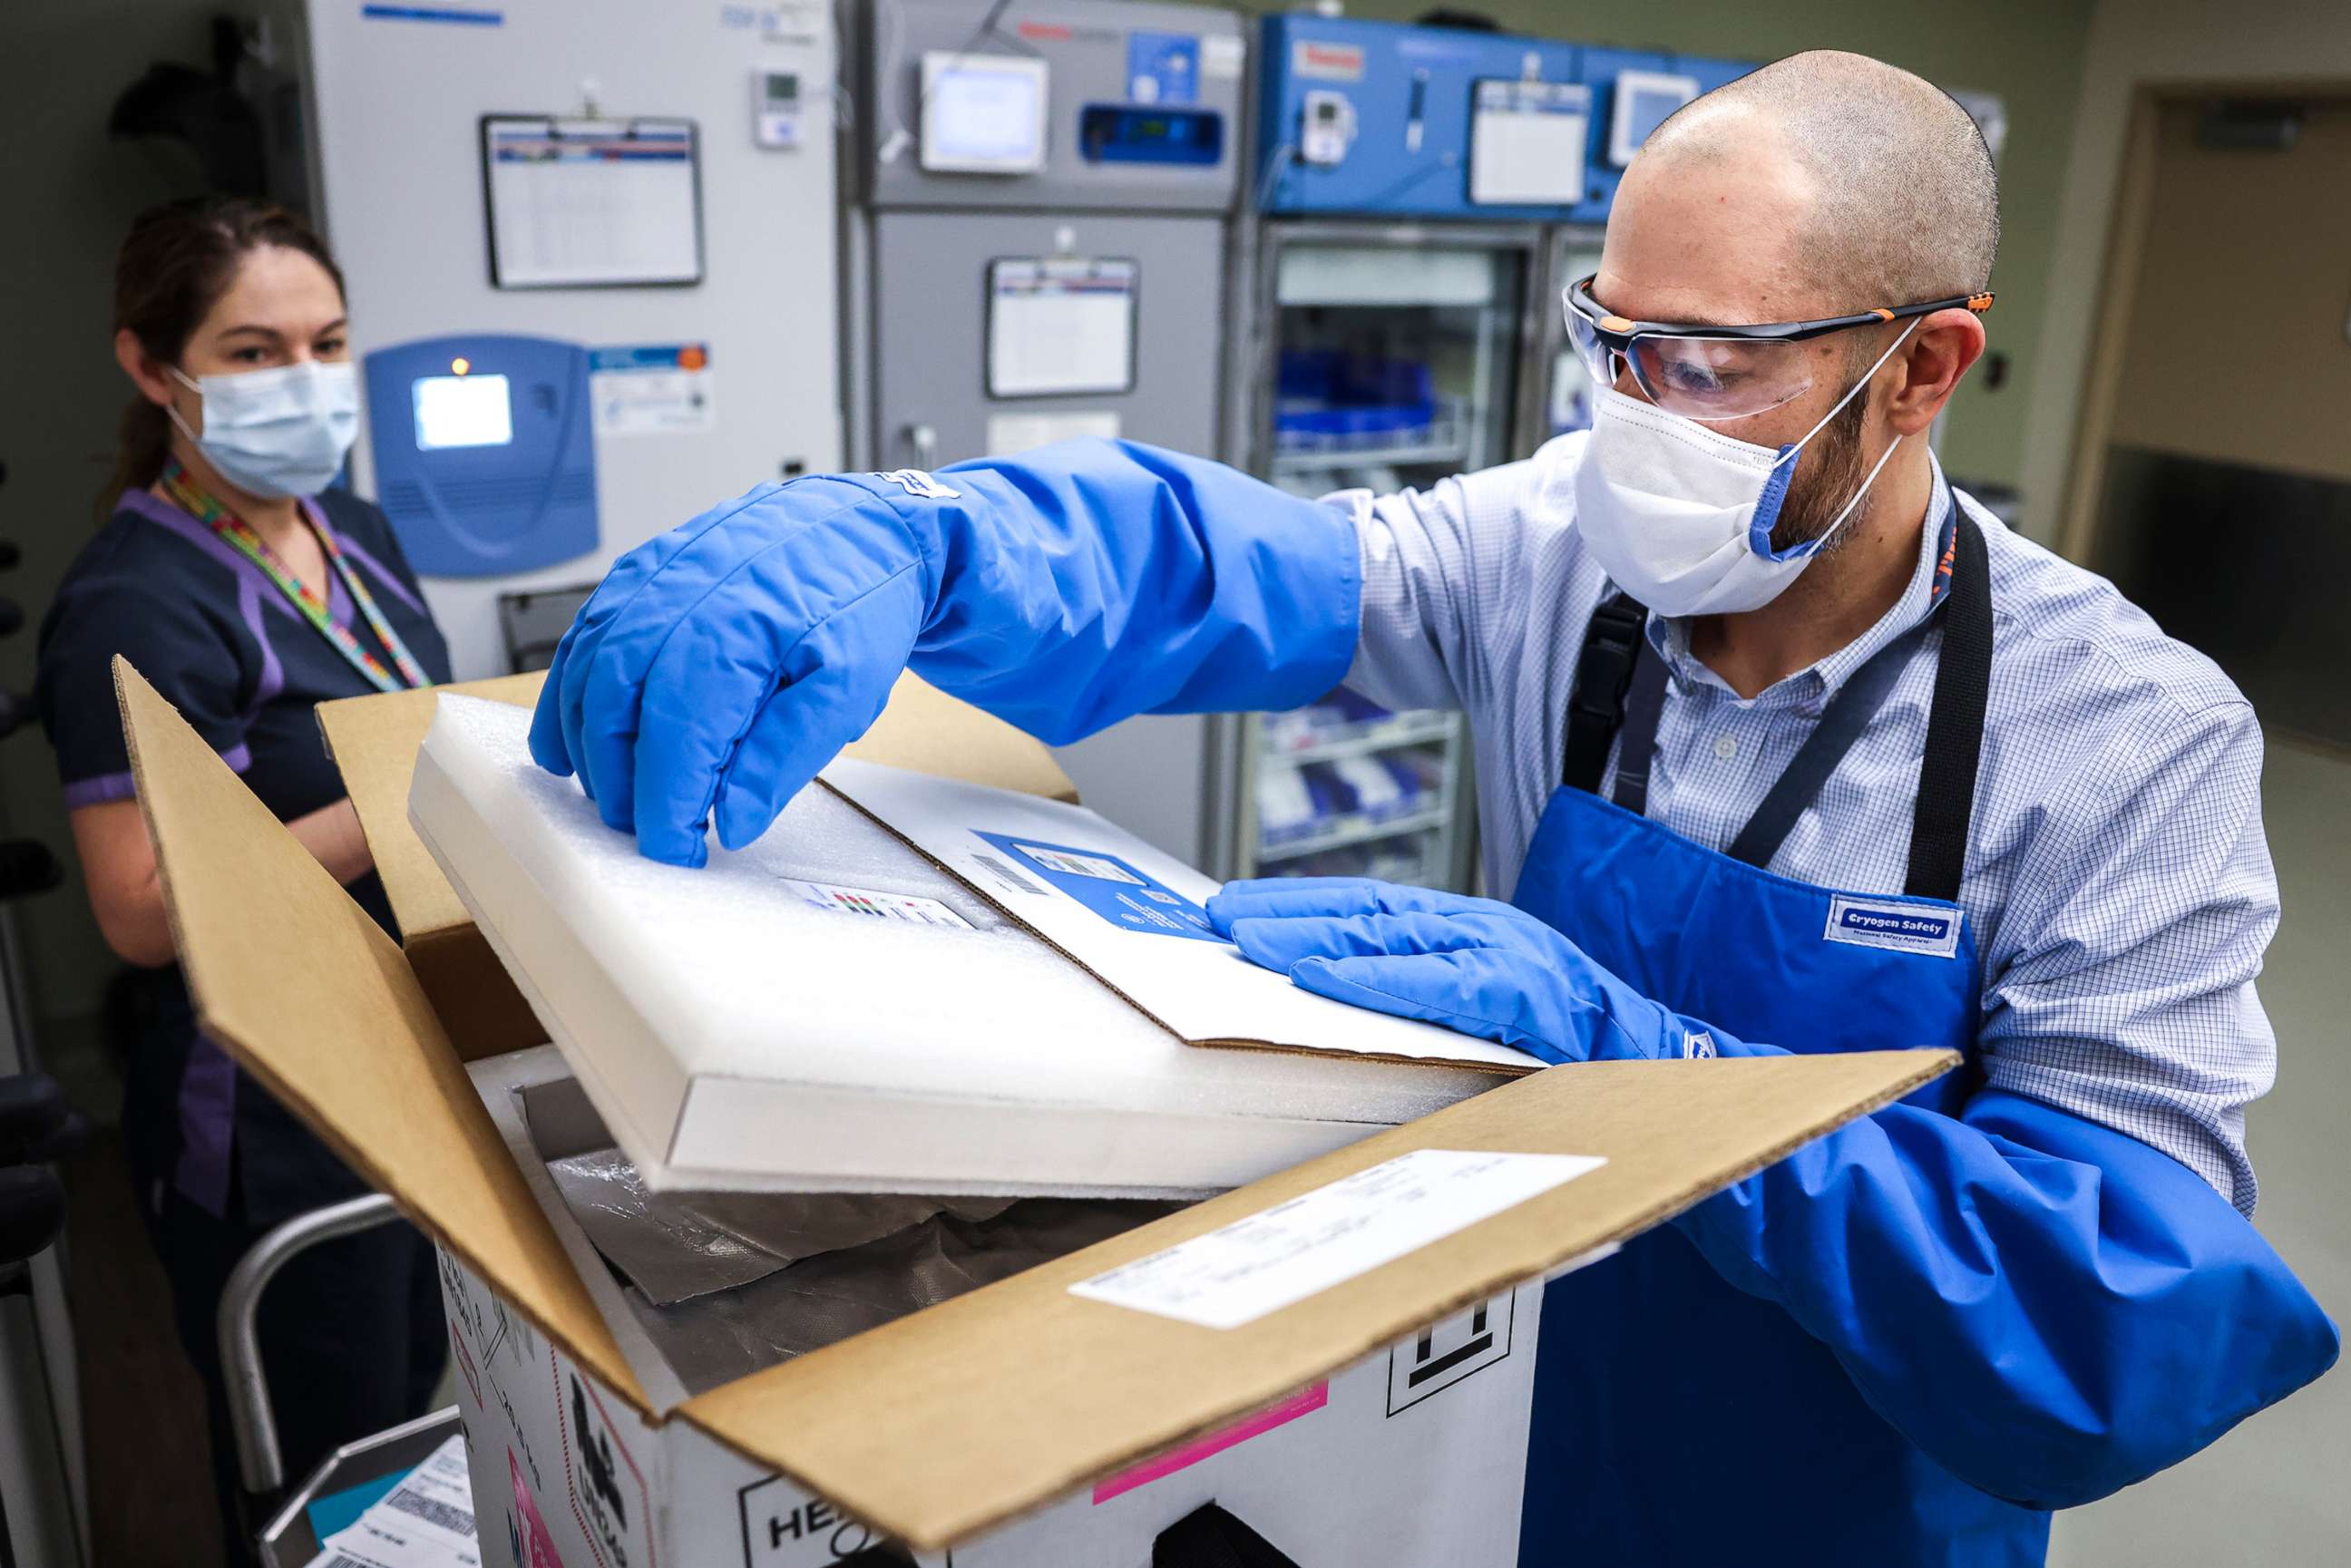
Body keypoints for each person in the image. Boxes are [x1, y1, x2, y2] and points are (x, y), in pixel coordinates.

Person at [525, 52, 2336, 1567]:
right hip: (1506, 1415)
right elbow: (1220, 563)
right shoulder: (1566, 547)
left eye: (1709, 365)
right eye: (1612, 340)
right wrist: (922, 536)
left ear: (1926, 365)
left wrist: (1630, 1063)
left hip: (1839, 1494)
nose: (1638, 416)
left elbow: (2108, 1317)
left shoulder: (2124, 738)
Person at [35, 196, 452, 1563]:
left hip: (402, 1060)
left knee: (421, 1434)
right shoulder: (135, 600)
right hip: (269, 1110)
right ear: (154, 370)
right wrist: (400, 800)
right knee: (324, 1484)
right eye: (254, 350)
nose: (306, 380)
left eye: (327, 343)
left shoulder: (357, 535)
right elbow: (144, 909)